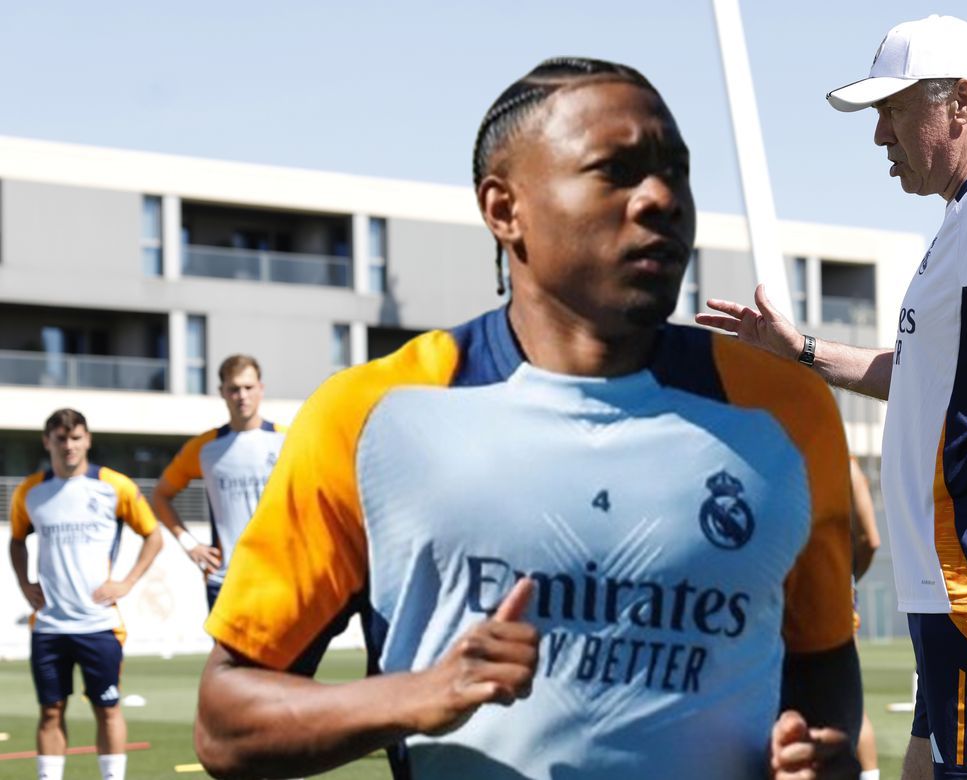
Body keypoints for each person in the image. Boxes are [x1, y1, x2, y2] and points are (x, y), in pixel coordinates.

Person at [194, 57, 862, 780]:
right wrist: (418, 696)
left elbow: (823, 666)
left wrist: (815, 753)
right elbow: (226, 723)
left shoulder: (785, 411)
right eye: (618, 170)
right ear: (504, 209)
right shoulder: (374, 415)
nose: (662, 197)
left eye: (676, 171)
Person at [699, 15, 967, 780]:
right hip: (963, 570)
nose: (880, 134)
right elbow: (916, 374)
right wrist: (801, 350)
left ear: (963, 104)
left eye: (894, 108)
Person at [8, 408, 163, 780]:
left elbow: (153, 536)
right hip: (49, 626)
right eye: (60, 439)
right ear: (47, 442)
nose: (69, 446)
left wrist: (126, 583)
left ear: (88, 440)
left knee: (107, 709)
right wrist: (24, 582)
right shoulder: (30, 491)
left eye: (76, 438)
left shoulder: (115, 486)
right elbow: (17, 541)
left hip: (99, 623)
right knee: (50, 711)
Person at [151, 354, 286, 611]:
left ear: (261, 389)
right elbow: (160, 495)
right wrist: (190, 544)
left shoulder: (288, 441)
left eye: (248, 387)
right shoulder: (204, 448)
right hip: (225, 579)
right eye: (234, 389)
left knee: (287, 653)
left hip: (279, 576)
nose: (242, 396)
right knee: (224, 654)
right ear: (222, 392)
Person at [848, 458, 881, 780]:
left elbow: (870, 540)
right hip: (833, 587)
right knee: (848, 698)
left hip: (778, 582)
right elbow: (869, 539)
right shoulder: (844, 463)